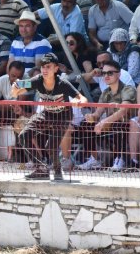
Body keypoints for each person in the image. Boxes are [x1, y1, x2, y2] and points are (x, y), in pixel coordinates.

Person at [13, 52, 88, 180]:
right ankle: (41, 168)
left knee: (50, 146)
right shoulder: (37, 81)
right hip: (47, 114)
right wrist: (16, 86)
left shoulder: (63, 83)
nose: (45, 70)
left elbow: (82, 98)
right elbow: (18, 87)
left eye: (48, 67)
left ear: (56, 68)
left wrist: (78, 102)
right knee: (24, 136)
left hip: (63, 117)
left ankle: (58, 170)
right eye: (43, 67)